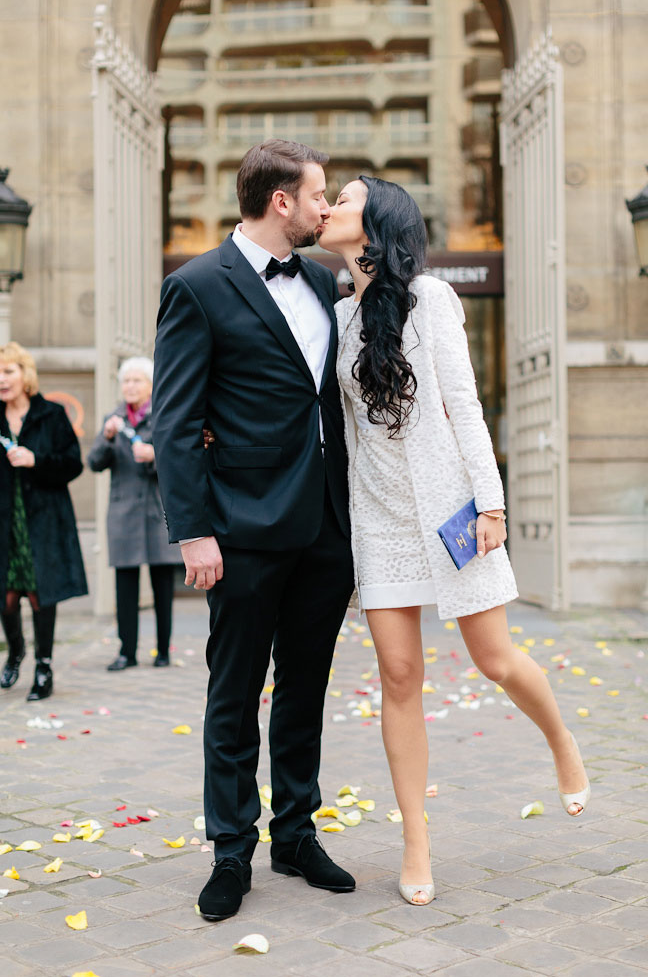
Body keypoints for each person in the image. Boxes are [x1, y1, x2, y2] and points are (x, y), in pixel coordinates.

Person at [318, 176, 591, 907]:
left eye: (342, 200)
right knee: (399, 677)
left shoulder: (431, 299)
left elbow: (463, 404)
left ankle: (562, 741)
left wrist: (491, 502)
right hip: (380, 522)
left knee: (495, 658)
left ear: (375, 222)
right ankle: (416, 839)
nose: (327, 210)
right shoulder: (337, 318)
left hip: (451, 513)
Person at [152, 139, 355, 922]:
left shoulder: (319, 276)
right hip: (239, 527)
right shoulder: (196, 286)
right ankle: (231, 850)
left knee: (305, 689)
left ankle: (295, 834)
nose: (325, 207)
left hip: (325, 527)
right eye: (317, 195)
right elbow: (175, 421)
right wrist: (193, 531)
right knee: (234, 692)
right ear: (281, 201)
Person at [0, 341, 87, 701]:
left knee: (39, 593)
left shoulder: (51, 414)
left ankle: (44, 665)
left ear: (25, 374)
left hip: (43, 520)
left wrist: (37, 460)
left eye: (7, 371)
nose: (1, 379)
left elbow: (73, 463)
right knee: (5, 595)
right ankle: (16, 650)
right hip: (5, 521)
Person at [88, 357, 182, 671]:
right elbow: (94, 462)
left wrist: (156, 455)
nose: (130, 386)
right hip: (124, 511)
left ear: (151, 386)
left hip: (157, 511)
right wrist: (107, 437)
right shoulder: (112, 419)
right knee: (125, 585)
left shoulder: (163, 416)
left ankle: (162, 650)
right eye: (126, 381)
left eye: (137, 381)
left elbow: (182, 460)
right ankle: (126, 651)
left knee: (162, 585)